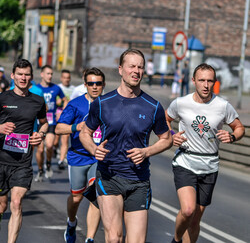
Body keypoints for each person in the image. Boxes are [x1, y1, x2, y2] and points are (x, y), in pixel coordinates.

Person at [80, 49, 173, 243]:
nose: (136, 71)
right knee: (114, 238)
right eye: (132, 66)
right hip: (109, 176)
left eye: (140, 67)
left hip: (139, 180)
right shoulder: (103, 103)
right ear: (121, 69)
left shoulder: (153, 106)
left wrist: (147, 151)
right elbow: (85, 133)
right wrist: (93, 149)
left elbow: (167, 139)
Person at [165, 63, 245, 243]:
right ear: (194, 81)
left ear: (215, 82)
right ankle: (176, 240)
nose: (206, 85)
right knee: (187, 210)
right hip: (185, 160)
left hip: (209, 165)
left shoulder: (223, 106)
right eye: (201, 80)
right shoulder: (181, 103)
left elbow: (239, 127)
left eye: (210, 81)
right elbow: (165, 119)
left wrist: (232, 136)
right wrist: (171, 135)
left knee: (195, 220)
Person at [0, 59, 48, 242]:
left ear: (32, 77)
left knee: (16, 202)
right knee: (1, 205)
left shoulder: (38, 101)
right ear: (13, 76)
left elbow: (45, 124)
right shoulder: (2, 98)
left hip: (22, 162)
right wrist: (0, 128)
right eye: (20, 74)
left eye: (27, 74)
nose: (23, 78)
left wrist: (41, 135)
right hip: (1, 159)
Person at [55, 67, 105, 243]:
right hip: (78, 156)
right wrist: (76, 127)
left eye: (98, 83)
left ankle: (90, 238)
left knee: (96, 195)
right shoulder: (76, 104)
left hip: (98, 158)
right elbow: (59, 128)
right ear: (85, 85)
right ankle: (71, 222)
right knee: (76, 197)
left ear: (103, 85)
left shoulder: (108, 105)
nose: (94, 87)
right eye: (90, 83)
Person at [35, 65, 67, 181]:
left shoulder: (56, 88)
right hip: (39, 122)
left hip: (51, 121)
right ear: (42, 74)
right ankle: (40, 170)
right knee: (40, 149)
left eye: (51, 74)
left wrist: (61, 111)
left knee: (49, 145)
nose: (50, 76)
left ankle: (48, 164)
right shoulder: (36, 89)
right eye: (48, 73)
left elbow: (65, 100)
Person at [54, 69, 75, 169]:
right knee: (55, 139)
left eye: (68, 78)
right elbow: (55, 102)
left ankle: (61, 159)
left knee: (65, 138)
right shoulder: (58, 88)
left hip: (69, 116)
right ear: (61, 78)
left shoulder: (73, 89)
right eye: (65, 78)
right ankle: (55, 148)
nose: (66, 80)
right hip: (58, 114)